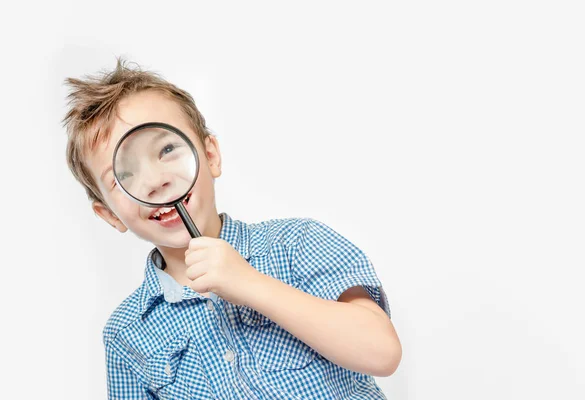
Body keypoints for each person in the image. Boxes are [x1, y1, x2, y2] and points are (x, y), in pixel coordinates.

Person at [62, 58, 402, 399]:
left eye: (167, 149)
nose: (154, 182)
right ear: (109, 215)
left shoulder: (296, 243)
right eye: (124, 175)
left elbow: (381, 352)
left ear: (210, 156)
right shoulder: (126, 333)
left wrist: (248, 283)